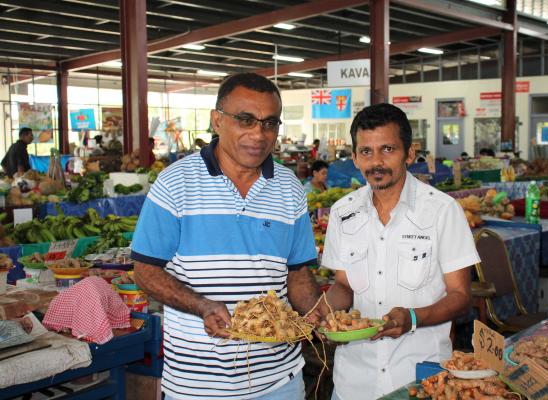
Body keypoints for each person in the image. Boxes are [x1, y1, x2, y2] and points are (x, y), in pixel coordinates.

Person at [131, 73, 321, 400]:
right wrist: (201, 305)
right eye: (245, 120)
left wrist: (315, 311)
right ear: (217, 121)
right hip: (197, 385)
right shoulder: (176, 183)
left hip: (280, 381)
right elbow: (145, 272)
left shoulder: (290, 188)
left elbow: (298, 273)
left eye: (269, 123)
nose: (258, 134)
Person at [313, 104, 480, 400]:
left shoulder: (442, 211)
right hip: (353, 382)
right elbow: (343, 286)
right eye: (366, 152)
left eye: (387, 149)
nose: (376, 162)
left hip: (419, 380)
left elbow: (461, 297)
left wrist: (412, 318)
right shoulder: (342, 212)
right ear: (354, 157)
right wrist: (323, 311)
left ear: (409, 153)